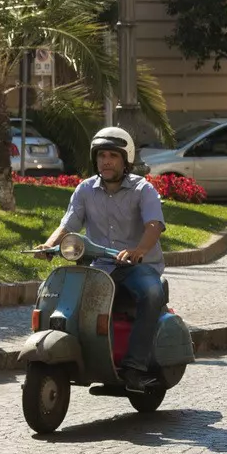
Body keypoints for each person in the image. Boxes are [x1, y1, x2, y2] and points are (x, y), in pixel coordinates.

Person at [40, 128, 167, 388]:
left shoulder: (143, 190)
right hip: (100, 266)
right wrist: (49, 244)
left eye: (112, 156)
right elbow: (68, 225)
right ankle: (83, 356)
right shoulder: (85, 190)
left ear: (125, 160)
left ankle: (135, 366)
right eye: (101, 155)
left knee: (153, 293)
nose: (105, 161)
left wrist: (138, 250)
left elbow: (154, 225)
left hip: (136, 267)